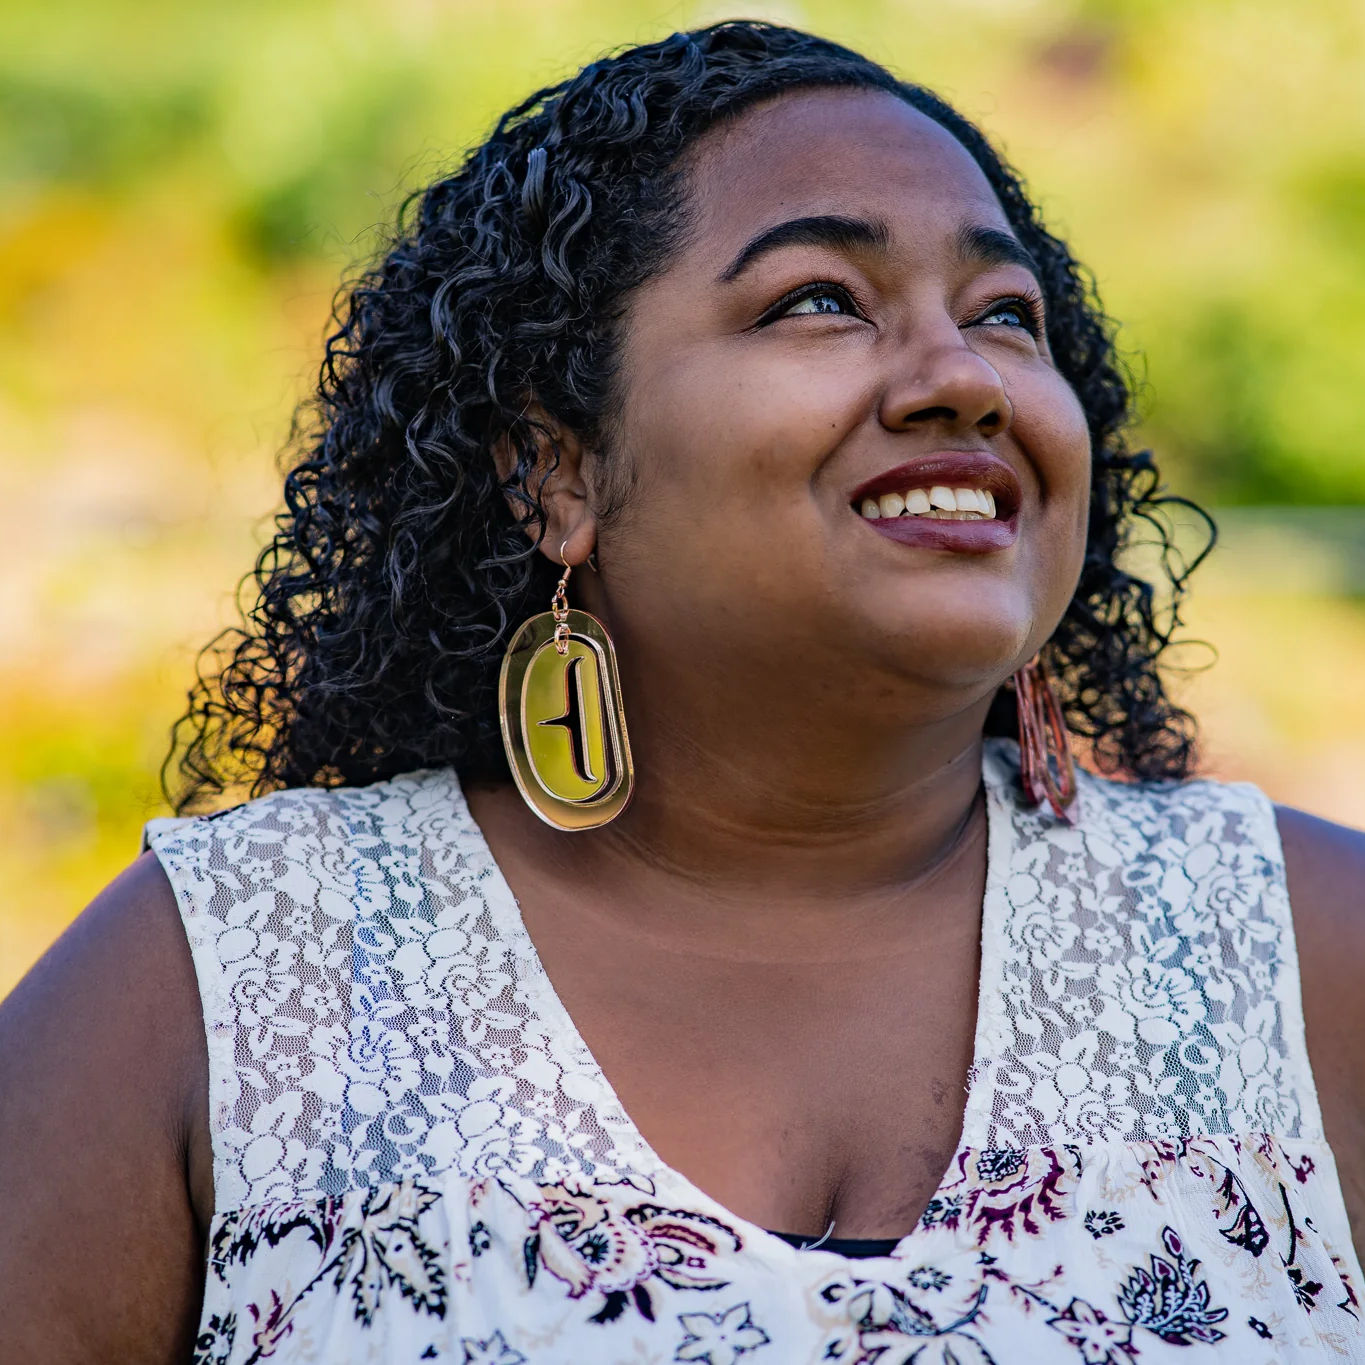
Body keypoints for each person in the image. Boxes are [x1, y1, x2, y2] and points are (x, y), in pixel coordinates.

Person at [1, 20, 1362, 1364]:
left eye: (1005, 315)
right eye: (819, 299)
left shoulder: (1308, 959)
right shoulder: (223, 977)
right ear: (556, 472)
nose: (963, 377)